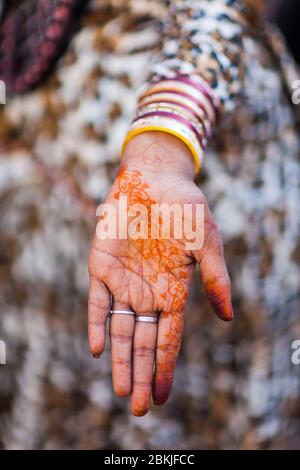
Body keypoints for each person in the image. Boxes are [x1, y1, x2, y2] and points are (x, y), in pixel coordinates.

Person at [0, 0, 299, 450]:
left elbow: (212, 10)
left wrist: (161, 150)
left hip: (195, 185)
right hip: (59, 201)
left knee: (184, 413)